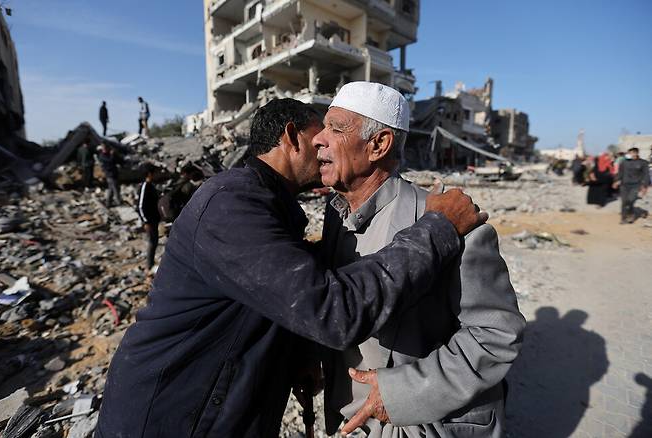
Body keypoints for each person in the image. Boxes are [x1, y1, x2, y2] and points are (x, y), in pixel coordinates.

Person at [95, 98, 486, 438]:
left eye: (337, 130)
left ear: (379, 144)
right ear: (292, 137)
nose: (326, 145)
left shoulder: (277, 207)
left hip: (219, 410)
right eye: (322, 133)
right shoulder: (231, 205)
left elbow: (273, 294)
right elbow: (332, 310)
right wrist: (438, 229)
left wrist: (293, 353)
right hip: (172, 413)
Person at [314, 82, 525, 438]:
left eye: (335, 128)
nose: (319, 139)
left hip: (419, 425)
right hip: (350, 421)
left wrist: (401, 393)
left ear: (379, 145)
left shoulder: (450, 222)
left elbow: (497, 335)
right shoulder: (336, 215)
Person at [615, 147, 649, 223]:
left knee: (631, 200)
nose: (630, 154)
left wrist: (645, 186)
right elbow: (620, 173)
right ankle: (623, 218)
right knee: (624, 201)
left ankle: (630, 213)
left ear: (636, 153)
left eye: (632, 153)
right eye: (629, 153)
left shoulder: (643, 163)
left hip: (636, 185)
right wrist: (616, 181)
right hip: (624, 185)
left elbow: (646, 175)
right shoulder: (624, 162)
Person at [137, 164, 161, 271]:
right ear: (150, 174)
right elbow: (140, 206)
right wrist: (145, 221)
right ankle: (149, 265)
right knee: (152, 241)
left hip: (154, 219)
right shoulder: (145, 186)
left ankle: (150, 263)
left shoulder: (151, 185)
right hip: (149, 220)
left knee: (155, 241)